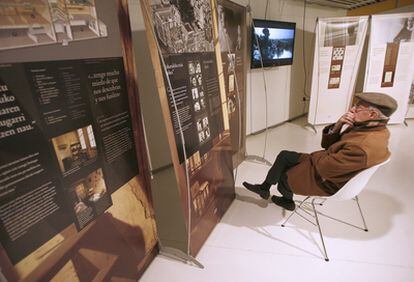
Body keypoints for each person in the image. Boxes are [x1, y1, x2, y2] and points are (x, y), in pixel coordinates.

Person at [243, 92, 398, 211]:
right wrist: (338, 125)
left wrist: (320, 156)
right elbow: (327, 146)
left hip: (326, 180)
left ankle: (287, 201)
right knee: (284, 156)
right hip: (325, 165)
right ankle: (264, 188)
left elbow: (324, 168)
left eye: (358, 107)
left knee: (285, 175)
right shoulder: (371, 129)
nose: (352, 109)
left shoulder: (363, 145)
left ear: (372, 114)